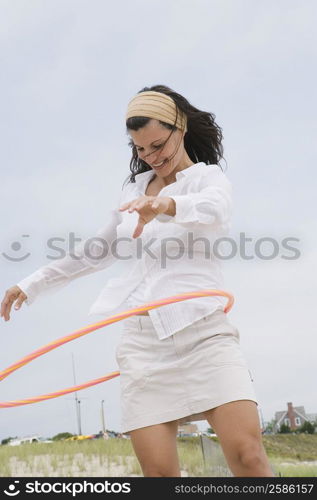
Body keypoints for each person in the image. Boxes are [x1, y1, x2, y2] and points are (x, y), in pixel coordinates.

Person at [1, 84, 274, 477]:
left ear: (179, 128)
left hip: (205, 334)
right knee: (159, 477)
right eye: (140, 149)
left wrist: (164, 204)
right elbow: (94, 251)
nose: (150, 156)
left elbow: (215, 209)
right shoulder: (132, 192)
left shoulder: (206, 180)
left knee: (248, 456)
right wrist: (31, 283)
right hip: (143, 345)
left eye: (158, 144)